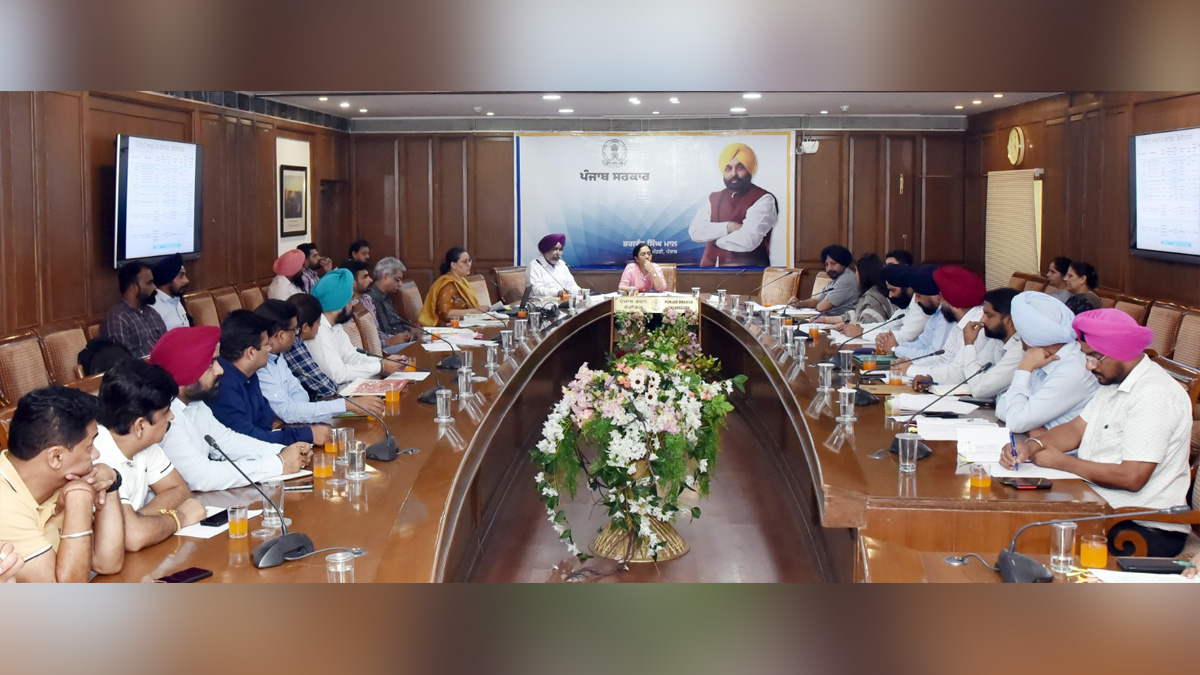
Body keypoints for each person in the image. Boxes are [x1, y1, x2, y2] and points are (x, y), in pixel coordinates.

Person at [1001, 308, 1192, 557]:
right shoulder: (1114, 382)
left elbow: (1132, 477)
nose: (1089, 366)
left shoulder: (1154, 394)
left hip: (1142, 526)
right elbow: (1075, 428)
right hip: (1099, 507)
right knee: (1013, 515)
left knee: (1027, 535)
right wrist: (1031, 445)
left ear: (1119, 351)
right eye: (1086, 357)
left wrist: (1063, 462)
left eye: (1094, 357)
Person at [150, 327, 310, 492]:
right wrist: (278, 463)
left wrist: (283, 451)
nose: (220, 370)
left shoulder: (195, 403)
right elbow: (201, 476)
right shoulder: (165, 417)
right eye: (211, 364)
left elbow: (227, 441)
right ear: (186, 369)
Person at [0, 387, 124, 582]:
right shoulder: (4, 504)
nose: (96, 455)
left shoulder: (56, 477)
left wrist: (111, 483)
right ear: (56, 457)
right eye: (89, 447)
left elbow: (107, 562)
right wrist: (78, 497)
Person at [93, 359, 207, 551]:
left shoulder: (145, 445)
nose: (172, 417)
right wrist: (180, 518)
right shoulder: (97, 455)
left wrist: (138, 518)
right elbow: (134, 537)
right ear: (140, 426)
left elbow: (179, 489)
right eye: (165, 412)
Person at [208, 310, 331, 447]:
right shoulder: (223, 385)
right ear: (251, 352)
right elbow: (248, 439)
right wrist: (307, 435)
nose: (270, 348)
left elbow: (267, 420)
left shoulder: (250, 374)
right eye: (266, 344)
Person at [255, 300, 385, 423]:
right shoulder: (259, 366)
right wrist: (346, 405)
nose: (296, 335)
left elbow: (300, 396)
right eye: (294, 330)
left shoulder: (278, 357)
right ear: (281, 336)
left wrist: (296, 411)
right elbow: (288, 411)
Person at [995, 292, 1099, 434]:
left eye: (1020, 334)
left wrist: (1024, 368)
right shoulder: (1040, 357)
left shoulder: (1073, 370)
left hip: (1056, 447)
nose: (1019, 340)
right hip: (1033, 442)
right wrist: (1031, 426)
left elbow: (1015, 422)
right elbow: (1001, 405)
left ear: (1030, 335)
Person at [910, 287, 1023, 399]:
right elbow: (965, 373)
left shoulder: (1019, 351)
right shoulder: (996, 341)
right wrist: (931, 378)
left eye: (989, 316)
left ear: (1009, 321)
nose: (982, 320)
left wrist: (969, 344)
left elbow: (980, 389)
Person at [688, 142, 778, 267]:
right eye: (728, 168)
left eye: (740, 168)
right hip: (708, 271)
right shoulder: (713, 198)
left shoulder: (764, 199)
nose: (733, 174)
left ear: (749, 169)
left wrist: (713, 238)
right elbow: (695, 232)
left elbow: (748, 240)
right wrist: (729, 227)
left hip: (749, 273)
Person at [309, 269, 407, 384]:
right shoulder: (318, 331)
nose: (353, 303)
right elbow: (338, 375)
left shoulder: (336, 326)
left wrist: (383, 362)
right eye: (350, 300)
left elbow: (352, 357)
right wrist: (380, 367)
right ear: (338, 303)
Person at [893, 265, 986, 377]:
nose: (940, 302)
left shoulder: (976, 325)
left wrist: (912, 370)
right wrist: (912, 363)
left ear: (954, 303)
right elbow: (944, 357)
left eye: (942, 297)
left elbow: (959, 372)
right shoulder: (960, 322)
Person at [836, 263, 928, 344]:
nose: (890, 295)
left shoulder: (922, 306)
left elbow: (904, 337)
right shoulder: (907, 303)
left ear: (909, 288)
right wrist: (857, 327)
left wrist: (861, 332)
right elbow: (889, 325)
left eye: (893, 290)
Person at [879, 264, 952, 359]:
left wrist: (896, 349)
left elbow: (934, 354)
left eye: (918, 296)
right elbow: (922, 343)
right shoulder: (935, 314)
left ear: (934, 295)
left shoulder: (946, 317)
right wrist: (896, 346)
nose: (916, 301)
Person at [101, 260, 167, 359]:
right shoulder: (117, 318)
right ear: (134, 288)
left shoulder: (152, 313)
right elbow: (121, 361)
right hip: (141, 368)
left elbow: (167, 345)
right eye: (149, 283)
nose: (155, 287)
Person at [284, 293, 343, 400]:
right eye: (318, 322)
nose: (319, 325)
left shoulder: (297, 342)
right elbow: (328, 391)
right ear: (305, 327)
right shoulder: (293, 346)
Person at [423, 247, 491, 326]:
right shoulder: (448, 284)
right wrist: (474, 311)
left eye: (469, 261)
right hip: (447, 328)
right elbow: (446, 314)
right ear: (453, 265)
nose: (469, 265)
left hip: (464, 324)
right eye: (465, 261)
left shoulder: (463, 281)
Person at [818, 253, 890, 325]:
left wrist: (844, 327)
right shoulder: (872, 292)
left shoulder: (872, 298)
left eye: (857, 271)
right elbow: (855, 314)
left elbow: (866, 326)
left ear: (864, 274)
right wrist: (826, 320)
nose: (855, 274)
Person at [788, 245, 859, 316]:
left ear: (843, 263)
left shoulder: (846, 279)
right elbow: (817, 300)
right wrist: (800, 303)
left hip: (842, 321)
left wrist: (808, 310)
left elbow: (822, 307)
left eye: (833, 263)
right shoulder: (835, 279)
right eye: (826, 264)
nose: (829, 268)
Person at [366, 257, 417, 346]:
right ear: (385, 277)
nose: (400, 284)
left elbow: (395, 323)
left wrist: (410, 331)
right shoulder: (369, 299)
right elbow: (375, 336)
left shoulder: (387, 295)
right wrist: (394, 339)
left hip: (401, 341)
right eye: (397, 279)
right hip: (388, 348)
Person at [525, 234, 581, 298]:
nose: (558, 253)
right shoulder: (534, 265)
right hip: (540, 302)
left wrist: (579, 291)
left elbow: (571, 284)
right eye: (555, 249)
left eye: (560, 250)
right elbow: (537, 290)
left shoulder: (562, 264)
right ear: (545, 250)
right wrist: (557, 293)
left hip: (562, 301)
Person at [149, 253, 191, 331]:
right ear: (168, 278)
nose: (186, 280)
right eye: (181, 276)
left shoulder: (176, 300)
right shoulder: (154, 308)